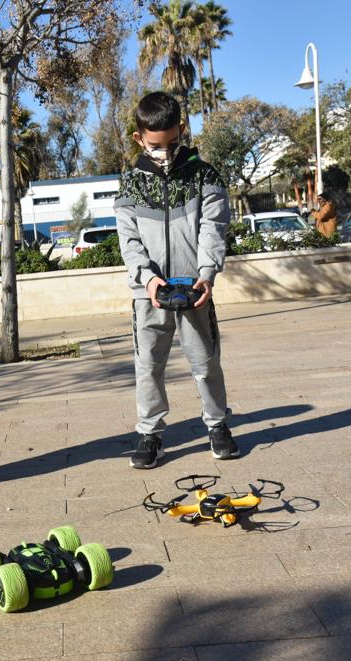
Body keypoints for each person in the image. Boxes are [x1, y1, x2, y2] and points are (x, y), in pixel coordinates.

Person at [115, 91, 239, 469]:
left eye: (172, 142)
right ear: (139, 138)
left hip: (195, 289)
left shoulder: (205, 176)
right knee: (148, 365)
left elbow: (212, 229)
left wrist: (207, 276)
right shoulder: (130, 185)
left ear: (182, 131)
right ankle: (150, 434)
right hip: (147, 294)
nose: (165, 152)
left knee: (206, 363)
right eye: (155, 145)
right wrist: (148, 281)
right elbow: (129, 240)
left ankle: (218, 426)